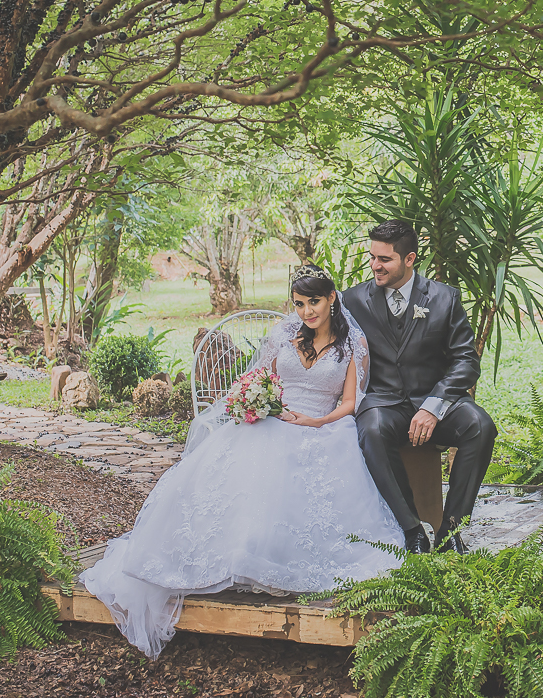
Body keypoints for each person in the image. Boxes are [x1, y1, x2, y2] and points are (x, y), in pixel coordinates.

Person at [80, 267, 402, 659]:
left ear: (332, 297)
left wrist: (315, 421)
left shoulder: (352, 345)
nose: (307, 312)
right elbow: (257, 379)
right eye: (299, 304)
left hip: (321, 426)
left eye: (314, 302)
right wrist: (255, 401)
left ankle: (268, 558)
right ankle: (228, 554)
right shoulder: (285, 335)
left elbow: (350, 402)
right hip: (272, 420)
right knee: (243, 459)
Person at [343, 220, 498, 555]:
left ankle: (451, 530)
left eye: (384, 259)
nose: (375, 266)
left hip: (435, 401)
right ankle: (411, 529)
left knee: (481, 426)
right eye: (372, 257)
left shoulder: (444, 298)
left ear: (410, 259)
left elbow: (466, 362)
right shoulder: (353, 300)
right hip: (385, 403)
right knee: (371, 430)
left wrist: (434, 404)